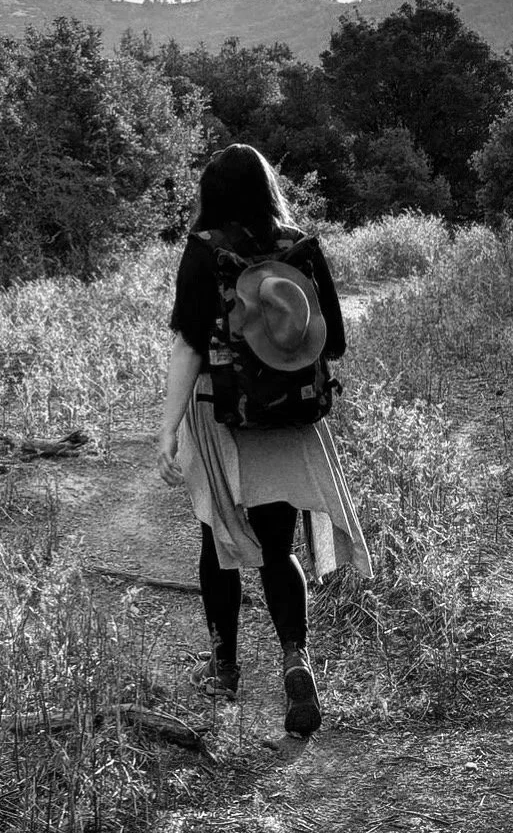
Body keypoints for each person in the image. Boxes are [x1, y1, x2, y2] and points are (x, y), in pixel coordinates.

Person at [157, 143, 372, 738]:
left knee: (219, 539)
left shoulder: (203, 253)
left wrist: (168, 429)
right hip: (288, 418)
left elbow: (189, 346)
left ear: (212, 195)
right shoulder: (299, 246)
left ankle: (224, 669)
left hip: (220, 413)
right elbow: (332, 343)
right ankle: (295, 660)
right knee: (280, 547)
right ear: (268, 188)